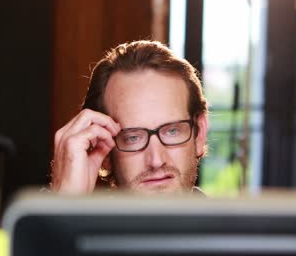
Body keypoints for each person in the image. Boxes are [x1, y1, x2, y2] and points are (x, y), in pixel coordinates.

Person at [49, 40, 209, 195]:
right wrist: (64, 206)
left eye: (173, 131)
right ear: (106, 155)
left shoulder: (232, 224)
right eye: (133, 137)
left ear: (199, 134)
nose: (156, 161)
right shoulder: (63, 218)